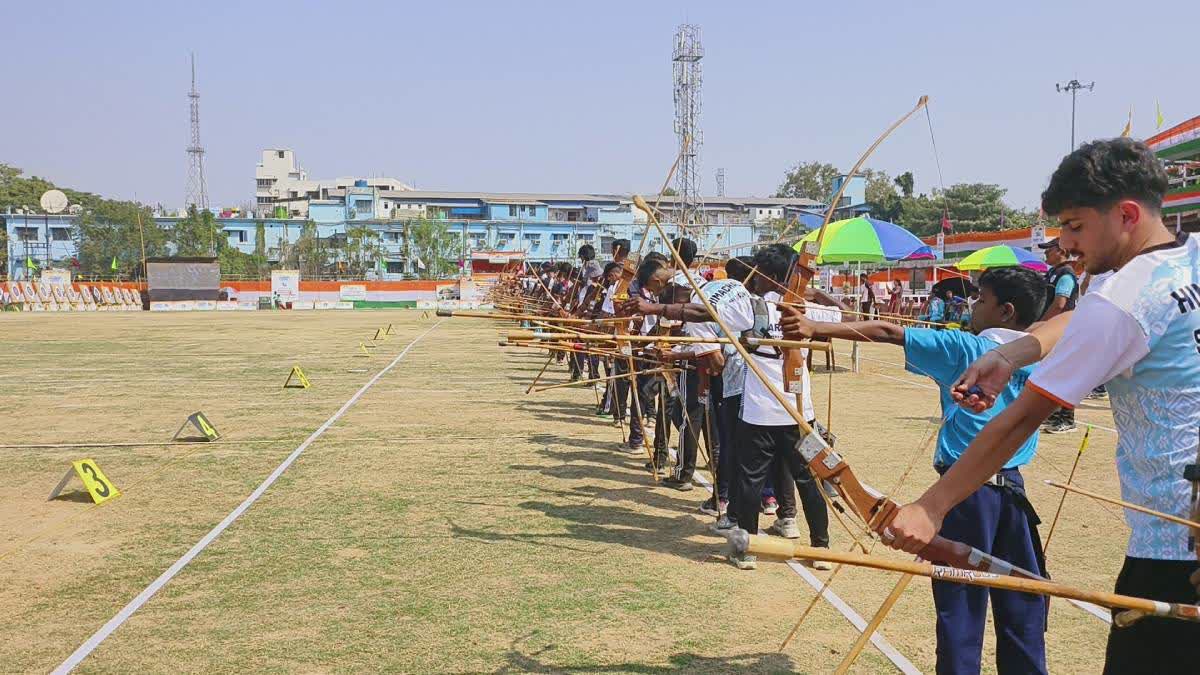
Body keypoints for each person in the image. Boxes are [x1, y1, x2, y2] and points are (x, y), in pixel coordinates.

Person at [880, 138, 1200, 675]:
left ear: (1124, 214)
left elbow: (1021, 418)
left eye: (1075, 225)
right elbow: (1080, 320)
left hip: (1175, 546)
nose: (1066, 242)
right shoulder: (1182, 262)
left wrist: (931, 508)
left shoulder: (1125, 298)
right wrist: (1011, 352)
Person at [783, 266, 1051, 674]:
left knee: (962, 608)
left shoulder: (966, 348)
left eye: (981, 299)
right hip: (1013, 493)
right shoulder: (1045, 354)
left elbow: (890, 333)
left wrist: (814, 327)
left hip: (966, 498)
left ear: (1006, 311)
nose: (972, 306)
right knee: (1022, 605)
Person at [1037, 237, 1081, 433]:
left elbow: (1060, 304)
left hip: (1062, 330)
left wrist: (1042, 325)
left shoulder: (1065, 274)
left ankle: (1067, 418)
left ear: (1062, 251)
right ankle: (1055, 414)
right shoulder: (1053, 273)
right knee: (1052, 372)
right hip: (1055, 329)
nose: (1046, 252)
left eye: (1049, 249)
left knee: (1064, 373)